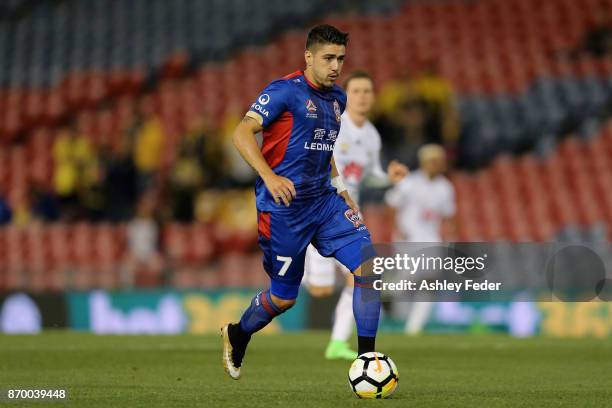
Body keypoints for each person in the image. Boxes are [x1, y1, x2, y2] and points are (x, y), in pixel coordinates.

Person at [221, 24, 381, 380]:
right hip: (284, 210)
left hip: (324, 203)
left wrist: (339, 186)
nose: (335, 65)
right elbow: (241, 132)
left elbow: (326, 150)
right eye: (328, 58)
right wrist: (270, 176)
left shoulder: (338, 99)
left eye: (340, 58)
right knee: (283, 299)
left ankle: (368, 361)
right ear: (309, 57)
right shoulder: (284, 92)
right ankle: (238, 333)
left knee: (368, 268)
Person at [302, 70, 407, 360]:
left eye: (367, 91)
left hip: (347, 219)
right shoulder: (333, 125)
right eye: (357, 90)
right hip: (320, 212)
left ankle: (337, 344)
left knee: (364, 276)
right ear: (346, 95)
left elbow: (369, 176)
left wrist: (389, 178)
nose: (362, 96)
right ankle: (290, 259)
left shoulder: (371, 135)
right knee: (320, 290)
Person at [385, 144, 456, 334]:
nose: (437, 165)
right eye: (433, 161)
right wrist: (397, 228)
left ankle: (414, 328)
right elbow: (391, 205)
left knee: (429, 283)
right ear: (424, 162)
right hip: (408, 238)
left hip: (431, 239)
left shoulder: (446, 187)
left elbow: (448, 216)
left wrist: (448, 236)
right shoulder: (409, 182)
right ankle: (388, 296)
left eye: (439, 161)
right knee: (408, 280)